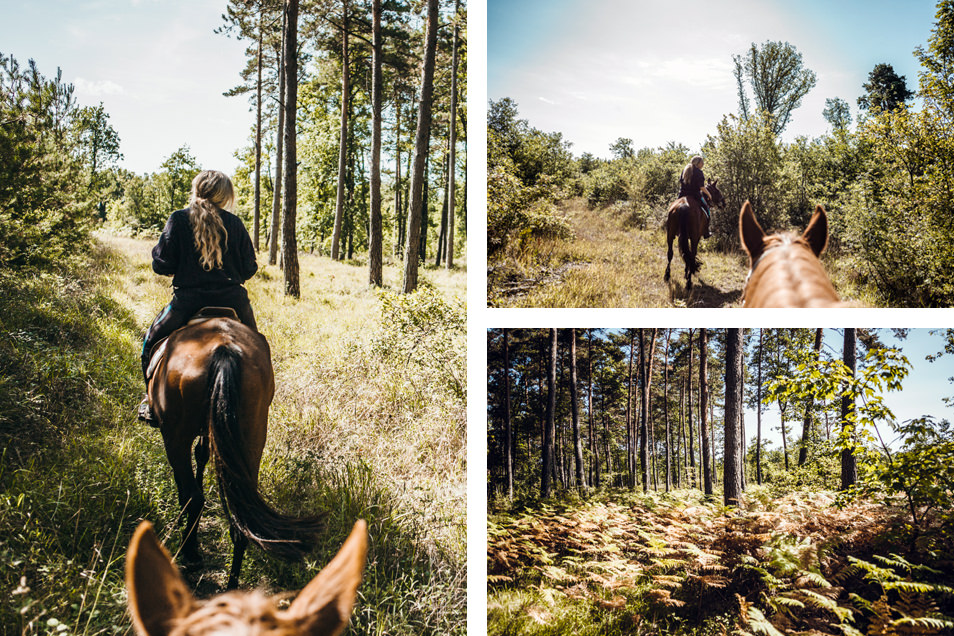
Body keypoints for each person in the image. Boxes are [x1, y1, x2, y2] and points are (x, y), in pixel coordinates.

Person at [138, 170, 259, 425]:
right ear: (225, 195)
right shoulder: (235, 224)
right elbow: (250, 269)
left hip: (187, 302)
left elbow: (161, 265)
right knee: (258, 350)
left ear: (197, 189)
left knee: (150, 343)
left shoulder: (178, 219)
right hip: (234, 301)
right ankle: (259, 398)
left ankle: (150, 402)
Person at [678, 155, 712, 238]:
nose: (703, 164)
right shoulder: (699, 172)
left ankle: (673, 228)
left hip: (682, 195)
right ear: (698, 163)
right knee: (707, 210)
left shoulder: (685, 170)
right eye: (702, 162)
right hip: (695, 195)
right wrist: (709, 194)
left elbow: (681, 182)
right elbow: (702, 187)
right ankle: (706, 232)